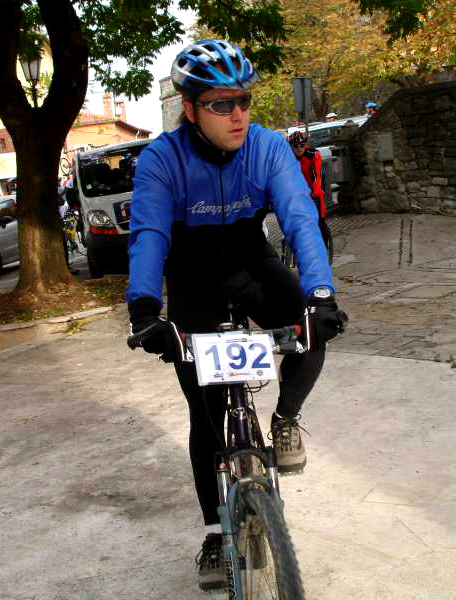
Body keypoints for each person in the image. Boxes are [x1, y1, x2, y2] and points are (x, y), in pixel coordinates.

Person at [126, 39, 346, 592]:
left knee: (311, 329)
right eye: (221, 104)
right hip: (193, 279)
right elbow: (149, 233)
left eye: (243, 100)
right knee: (206, 418)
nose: (238, 114)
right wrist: (145, 309)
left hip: (252, 263)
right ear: (190, 109)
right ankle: (213, 533)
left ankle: (285, 418)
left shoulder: (267, 148)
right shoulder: (161, 159)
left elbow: (299, 217)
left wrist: (321, 294)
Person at [288, 131, 332, 250]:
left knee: (319, 220)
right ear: (291, 146)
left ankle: (324, 247)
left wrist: (315, 192)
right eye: (295, 146)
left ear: (306, 144)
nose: (299, 148)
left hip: (313, 188)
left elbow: (317, 175)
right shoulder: (287, 157)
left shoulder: (313, 154)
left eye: (302, 145)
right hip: (298, 192)